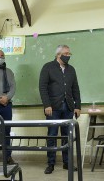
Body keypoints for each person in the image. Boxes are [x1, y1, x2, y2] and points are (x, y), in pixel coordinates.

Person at [39, 44, 81, 174]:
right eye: (66, 54)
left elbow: (75, 89)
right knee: (52, 135)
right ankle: (50, 164)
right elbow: (42, 87)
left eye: (69, 54)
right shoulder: (48, 67)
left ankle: (67, 163)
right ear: (58, 54)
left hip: (68, 107)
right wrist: (47, 105)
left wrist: (78, 106)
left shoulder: (71, 69)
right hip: (53, 108)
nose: (68, 56)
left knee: (66, 136)